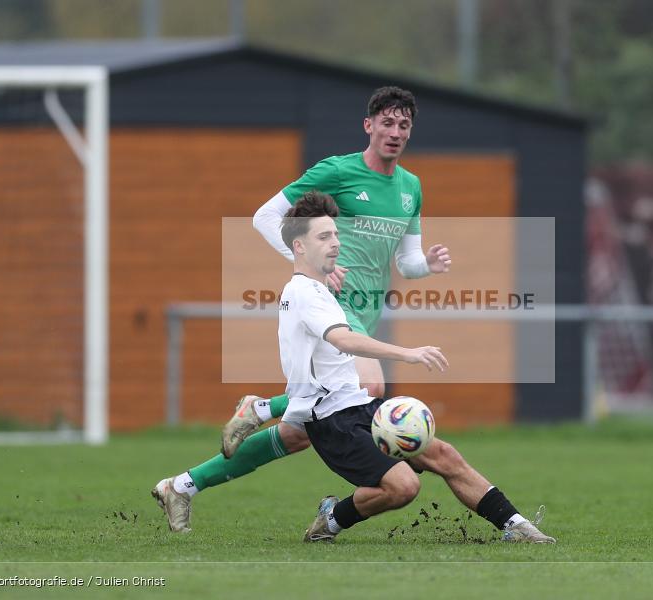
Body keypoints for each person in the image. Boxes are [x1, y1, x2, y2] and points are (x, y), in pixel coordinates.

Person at [153, 86, 451, 531]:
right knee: (368, 388)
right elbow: (265, 217)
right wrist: (310, 263)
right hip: (329, 310)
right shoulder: (337, 170)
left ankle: (182, 486)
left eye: (403, 125)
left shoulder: (411, 188)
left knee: (297, 433)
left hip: (364, 315)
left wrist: (425, 265)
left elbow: (406, 262)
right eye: (386, 123)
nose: (395, 132)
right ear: (368, 126)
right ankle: (258, 408)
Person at [278, 191, 553, 543]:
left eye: (335, 234)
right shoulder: (306, 293)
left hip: (357, 405)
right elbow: (343, 339)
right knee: (404, 487)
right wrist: (407, 354)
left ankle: (516, 527)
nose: (335, 243)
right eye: (324, 236)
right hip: (332, 421)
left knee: (443, 454)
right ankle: (332, 519)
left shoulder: (315, 289)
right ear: (299, 247)